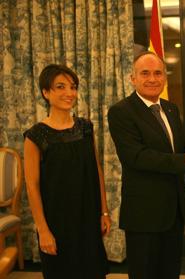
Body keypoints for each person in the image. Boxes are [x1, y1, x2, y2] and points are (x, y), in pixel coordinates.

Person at [107, 51, 185, 279]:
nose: (152, 79)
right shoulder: (121, 112)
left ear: (164, 77)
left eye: (157, 73)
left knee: (170, 273)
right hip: (143, 214)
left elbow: (181, 146)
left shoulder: (170, 108)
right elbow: (137, 157)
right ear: (132, 78)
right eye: (145, 73)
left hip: (173, 212)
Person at [23, 64, 110, 279]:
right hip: (56, 221)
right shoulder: (36, 135)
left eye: (73, 87)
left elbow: (96, 169)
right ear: (46, 92)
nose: (69, 93)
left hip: (88, 217)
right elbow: (31, 185)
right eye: (60, 87)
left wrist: (104, 212)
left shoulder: (85, 127)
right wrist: (43, 229)